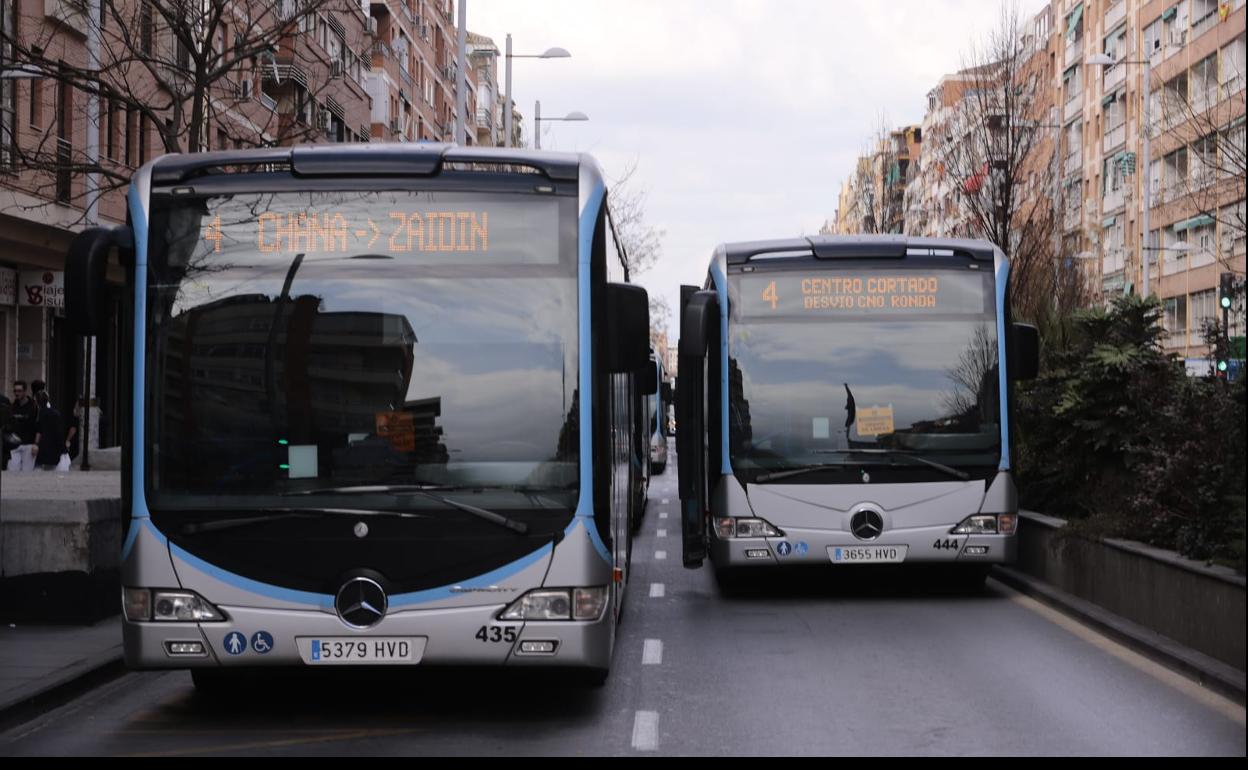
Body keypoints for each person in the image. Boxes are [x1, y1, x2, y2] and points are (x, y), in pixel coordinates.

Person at [6, 380, 39, 471]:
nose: (17, 393)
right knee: (12, 470)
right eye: (15, 391)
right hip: (14, 445)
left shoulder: (33, 406)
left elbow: (38, 427)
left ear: (25, 391)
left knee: (27, 472)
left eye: (19, 391)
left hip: (29, 445)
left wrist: (36, 444)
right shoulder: (12, 407)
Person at [33, 390, 65, 471]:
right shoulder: (55, 413)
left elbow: (39, 430)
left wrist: (36, 443)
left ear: (36, 401)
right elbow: (59, 432)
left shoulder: (40, 414)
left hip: (44, 446)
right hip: (53, 447)